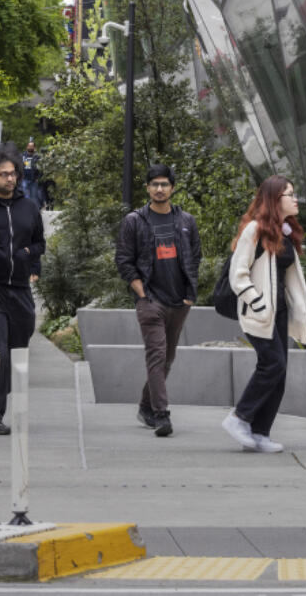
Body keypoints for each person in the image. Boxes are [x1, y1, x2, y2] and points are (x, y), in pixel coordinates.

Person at [221, 176, 306, 453]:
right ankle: (239, 417)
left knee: (280, 372)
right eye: (290, 194)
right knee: (272, 364)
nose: (295, 199)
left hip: (280, 313)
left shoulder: (284, 232)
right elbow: (237, 274)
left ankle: (260, 432)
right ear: (275, 200)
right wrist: (257, 302)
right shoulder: (254, 230)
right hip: (259, 312)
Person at [115, 164, 201, 437]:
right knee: (156, 355)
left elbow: (195, 257)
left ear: (172, 188)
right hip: (150, 300)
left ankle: (145, 405)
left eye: (164, 184)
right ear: (148, 188)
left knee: (167, 358)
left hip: (179, 302)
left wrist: (189, 296)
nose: (160, 189)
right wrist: (141, 292)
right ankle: (162, 415)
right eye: (155, 184)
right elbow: (124, 260)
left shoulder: (186, 221)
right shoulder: (135, 221)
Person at [0, 144, 46, 435]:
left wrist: (29, 254)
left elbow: (41, 242)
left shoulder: (27, 206)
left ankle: (3, 396)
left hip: (20, 286)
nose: (10, 179)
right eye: (3, 174)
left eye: (13, 173)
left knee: (19, 345)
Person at [21, 139, 43, 209]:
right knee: (25, 195)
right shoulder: (22, 156)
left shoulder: (37, 157)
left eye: (32, 146)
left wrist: (38, 178)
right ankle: (26, 209)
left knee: (34, 196)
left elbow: (41, 168)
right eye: (29, 146)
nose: (30, 147)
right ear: (27, 147)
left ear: (34, 148)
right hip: (24, 179)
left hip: (34, 180)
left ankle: (35, 210)